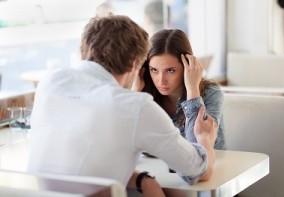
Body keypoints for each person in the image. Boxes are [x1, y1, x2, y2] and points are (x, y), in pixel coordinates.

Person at [27, 14, 217, 196]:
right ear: (135, 64)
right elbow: (197, 171)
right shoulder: (135, 106)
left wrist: (142, 180)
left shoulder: (50, 83)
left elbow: (81, 169)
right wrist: (205, 140)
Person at [142, 29, 226, 150]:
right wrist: (135, 90)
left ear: (188, 66)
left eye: (170, 70)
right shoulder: (146, 95)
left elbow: (198, 152)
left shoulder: (211, 94)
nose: (161, 81)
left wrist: (192, 89)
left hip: (213, 167)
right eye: (154, 70)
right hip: (158, 168)